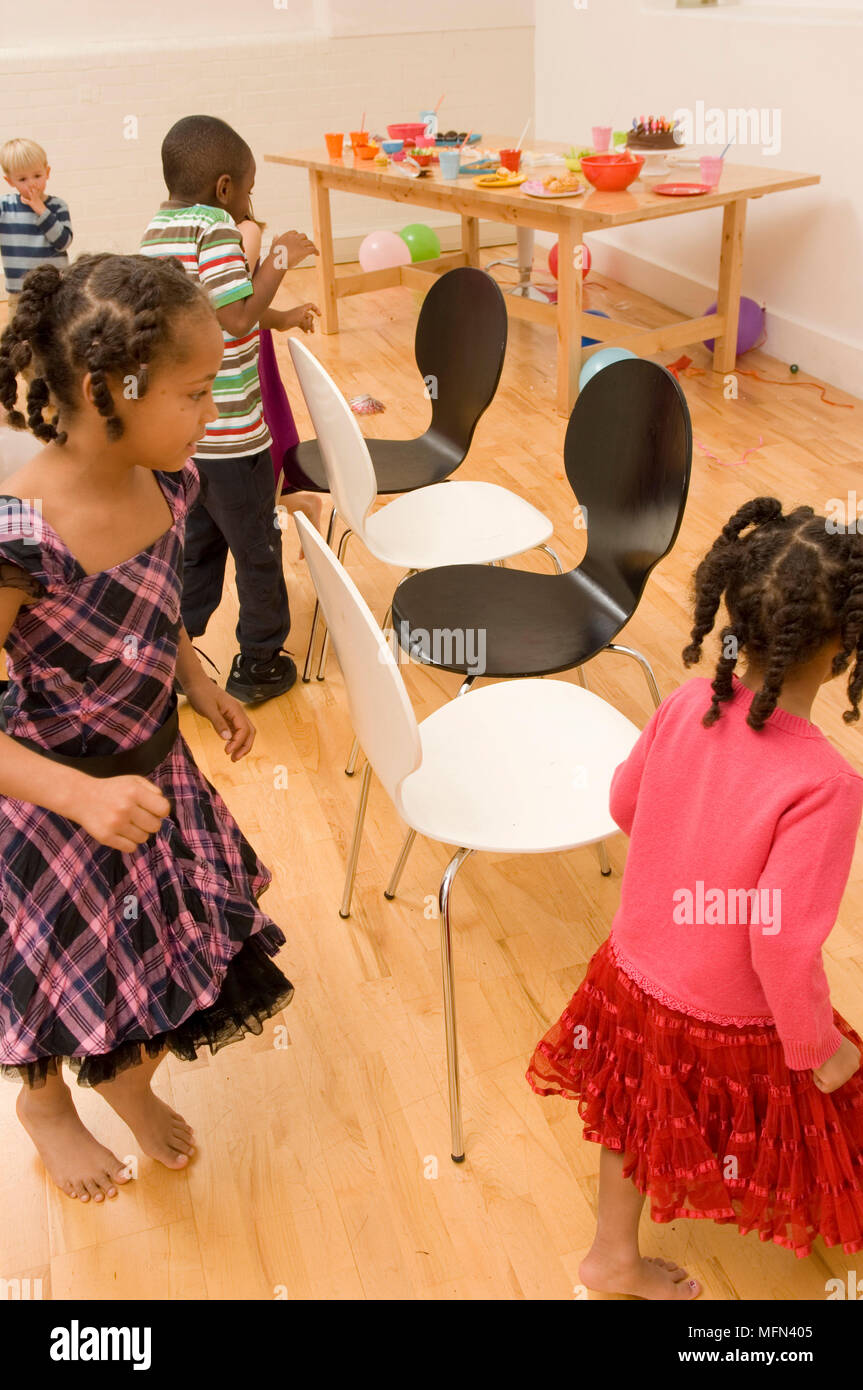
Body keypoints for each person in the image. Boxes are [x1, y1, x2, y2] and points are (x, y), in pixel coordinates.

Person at [0, 254, 293, 1203]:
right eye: (198, 394)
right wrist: (78, 794)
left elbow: (156, 614)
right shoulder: (20, 534)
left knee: (156, 958)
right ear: (103, 390)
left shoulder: (167, 482)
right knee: (58, 978)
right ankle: (44, 1109)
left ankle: (127, 1086)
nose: (213, 415)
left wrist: (199, 684)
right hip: (52, 807)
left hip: (154, 779)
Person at [527, 498, 863, 1297]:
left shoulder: (685, 704)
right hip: (730, 1009)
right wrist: (816, 1048)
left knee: (633, 1107)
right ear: (845, 649)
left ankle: (612, 1254)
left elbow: (623, 804)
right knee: (830, 1090)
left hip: (637, 972)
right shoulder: (824, 783)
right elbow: (779, 945)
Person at [140, 115, 317, 704]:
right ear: (222, 188)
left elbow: (222, 307)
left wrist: (284, 315)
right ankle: (260, 662)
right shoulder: (216, 228)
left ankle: (173, 666)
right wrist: (282, 259)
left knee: (199, 552)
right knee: (258, 550)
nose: (248, 201)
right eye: (247, 189)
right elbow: (236, 316)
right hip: (237, 440)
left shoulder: (157, 231)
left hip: (186, 445)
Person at [237, 209, 324, 541]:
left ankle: (297, 505)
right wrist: (286, 316)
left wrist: (284, 315)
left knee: (260, 453)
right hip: (231, 355)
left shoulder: (245, 231)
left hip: (242, 356)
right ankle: (301, 503)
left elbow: (242, 309)